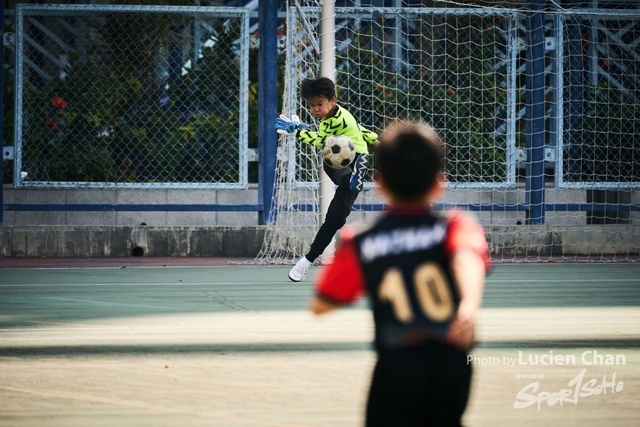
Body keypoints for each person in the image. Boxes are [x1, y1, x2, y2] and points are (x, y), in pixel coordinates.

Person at [309, 122, 490, 427]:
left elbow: (323, 303)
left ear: (380, 185)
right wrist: (468, 307)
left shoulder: (362, 242)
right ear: (439, 184)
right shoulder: (457, 226)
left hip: (396, 364)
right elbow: (466, 258)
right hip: (452, 361)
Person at [275, 77, 379, 282]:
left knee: (328, 156)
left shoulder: (336, 120)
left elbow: (321, 140)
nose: (315, 109)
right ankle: (306, 261)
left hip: (355, 159)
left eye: (319, 104)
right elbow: (361, 131)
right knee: (335, 220)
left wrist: (297, 131)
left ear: (333, 100)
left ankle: (352, 176)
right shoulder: (337, 116)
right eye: (312, 105)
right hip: (353, 166)